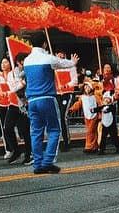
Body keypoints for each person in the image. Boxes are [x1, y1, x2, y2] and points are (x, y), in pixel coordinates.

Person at [22, 32, 78, 173]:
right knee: (54, 130)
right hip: (47, 98)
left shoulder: (27, 60)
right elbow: (63, 64)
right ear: (45, 44)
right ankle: (48, 161)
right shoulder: (48, 58)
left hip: (32, 100)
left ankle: (37, 164)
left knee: (36, 132)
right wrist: (73, 62)